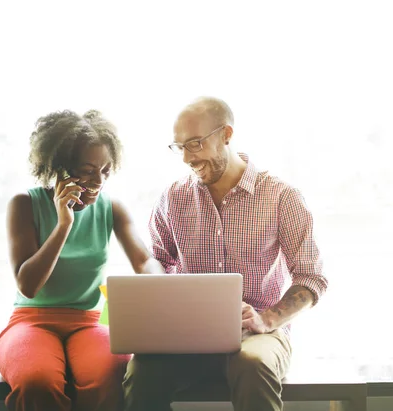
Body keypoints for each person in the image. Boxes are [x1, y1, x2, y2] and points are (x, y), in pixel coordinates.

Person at [122, 96, 329, 411]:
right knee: (141, 371)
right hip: (188, 335)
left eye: (195, 144)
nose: (186, 158)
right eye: (179, 147)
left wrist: (268, 318)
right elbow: (158, 263)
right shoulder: (173, 197)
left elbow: (311, 276)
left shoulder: (280, 196)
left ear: (226, 135)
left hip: (258, 333)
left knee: (253, 364)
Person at [0, 109, 164, 411]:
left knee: (110, 375)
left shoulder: (112, 207)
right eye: (87, 170)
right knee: (38, 382)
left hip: (90, 321)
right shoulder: (24, 204)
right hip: (32, 321)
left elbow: (144, 261)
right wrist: (64, 224)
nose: (98, 181)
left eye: (106, 170)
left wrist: (158, 281)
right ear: (59, 167)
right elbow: (28, 285)